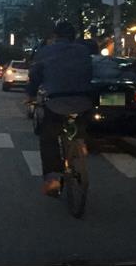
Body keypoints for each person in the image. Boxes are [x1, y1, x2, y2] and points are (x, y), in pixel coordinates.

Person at [27, 20, 94, 196]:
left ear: (55, 36)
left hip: (55, 101)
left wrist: (31, 96)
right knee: (84, 117)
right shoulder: (84, 51)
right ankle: (81, 141)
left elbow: (35, 76)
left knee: (48, 137)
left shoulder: (45, 52)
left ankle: (53, 179)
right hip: (84, 100)